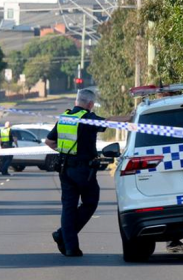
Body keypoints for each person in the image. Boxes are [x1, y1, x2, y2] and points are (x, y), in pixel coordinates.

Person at [45, 88, 128, 257]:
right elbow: (109, 121)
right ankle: (62, 235)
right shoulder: (88, 118)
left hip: (64, 168)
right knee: (90, 202)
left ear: (77, 101)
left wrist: (64, 152)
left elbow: (49, 141)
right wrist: (130, 118)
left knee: (68, 207)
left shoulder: (65, 118)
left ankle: (70, 247)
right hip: (83, 170)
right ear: (90, 104)